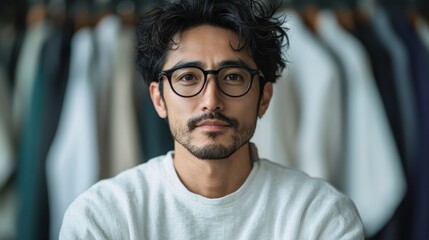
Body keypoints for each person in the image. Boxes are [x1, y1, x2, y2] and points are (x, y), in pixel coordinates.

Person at [60, 0, 364, 239]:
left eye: (232, 77)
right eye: (188, 77)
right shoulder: (103, 217)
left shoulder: (319, 217)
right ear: (158, 98)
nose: (211, 101)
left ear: (264, 98)